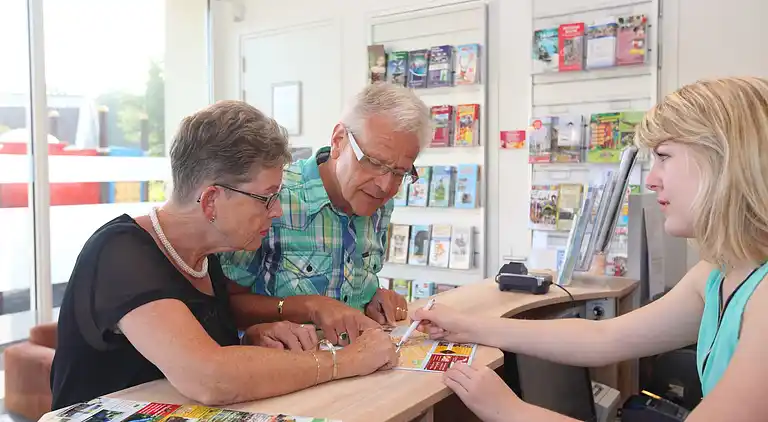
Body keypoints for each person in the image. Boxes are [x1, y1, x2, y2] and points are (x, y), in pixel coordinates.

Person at [413, 76, 768, 422]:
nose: (651, 178)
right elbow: (604, 337)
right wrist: (464, 326)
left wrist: (510, 411)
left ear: (724, 159)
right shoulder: (718, 273)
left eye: (664, 156)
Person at [50, 100, 398, 410]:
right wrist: (345, 362)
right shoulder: (120, 255)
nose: (276, 211)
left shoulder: (207, 258)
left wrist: (257, 340)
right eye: (267, 197)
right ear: (212, 200)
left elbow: (206, 351)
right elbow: (209, 376)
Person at [218, 83, 432, 345]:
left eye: (399, 173)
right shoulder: (274, 198)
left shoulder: (380, 203)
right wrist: (309, 306)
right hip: (282, 370)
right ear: (338, 141)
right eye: (375, 163)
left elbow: (352, 286)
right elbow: (226, 306)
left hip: (356, 366)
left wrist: (374, 297)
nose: (385, 186)